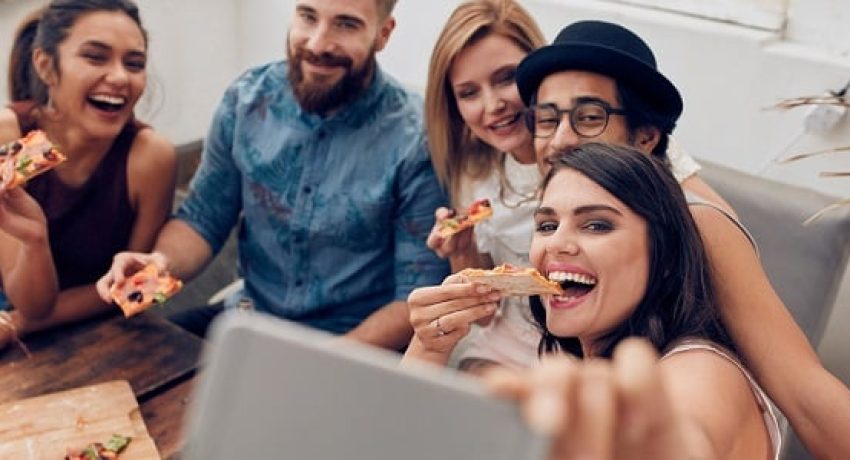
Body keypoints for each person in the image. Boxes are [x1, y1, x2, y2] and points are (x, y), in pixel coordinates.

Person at [512, 20, 850, 458]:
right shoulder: (559, 216)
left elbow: (802, 390)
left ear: (646, 137)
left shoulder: (697, 224)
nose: (561, 140)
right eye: (547, 119)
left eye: (590, 117)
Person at [96, 0, 448, 351]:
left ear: (383, 34)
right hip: (249, 320)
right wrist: (158, 266)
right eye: (308, 17)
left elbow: (415, 298)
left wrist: (318, 365)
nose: (317, 44)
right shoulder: (246, 100)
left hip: (354, 344)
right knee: (119, 361)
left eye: (346, 25)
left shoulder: (417, 137)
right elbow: (203, 218)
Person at [405, 0, 730, 372]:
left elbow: (713, 222)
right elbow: (486, 309)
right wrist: (461, 254)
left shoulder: (627, 146)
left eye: (505, 77)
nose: (493, 105)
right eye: (468, 93)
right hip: (506, 350)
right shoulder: (474, 169)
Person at [483, 143, 781, 459]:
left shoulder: (701, 368)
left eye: (597, 225)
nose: (556, 243)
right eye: (547, 225)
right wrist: (431, 350)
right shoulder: (583, 369)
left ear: (664, 257)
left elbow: (688, 430)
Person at [0, 0, 175, 351]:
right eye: (95, 57)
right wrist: (36, 242)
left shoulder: (150, 157)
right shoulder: (17, 138)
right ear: (47, 67)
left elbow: (139, 288)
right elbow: (29, 299)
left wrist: (17, 323)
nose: (120, 77)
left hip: (99, 332)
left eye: (134, 63)